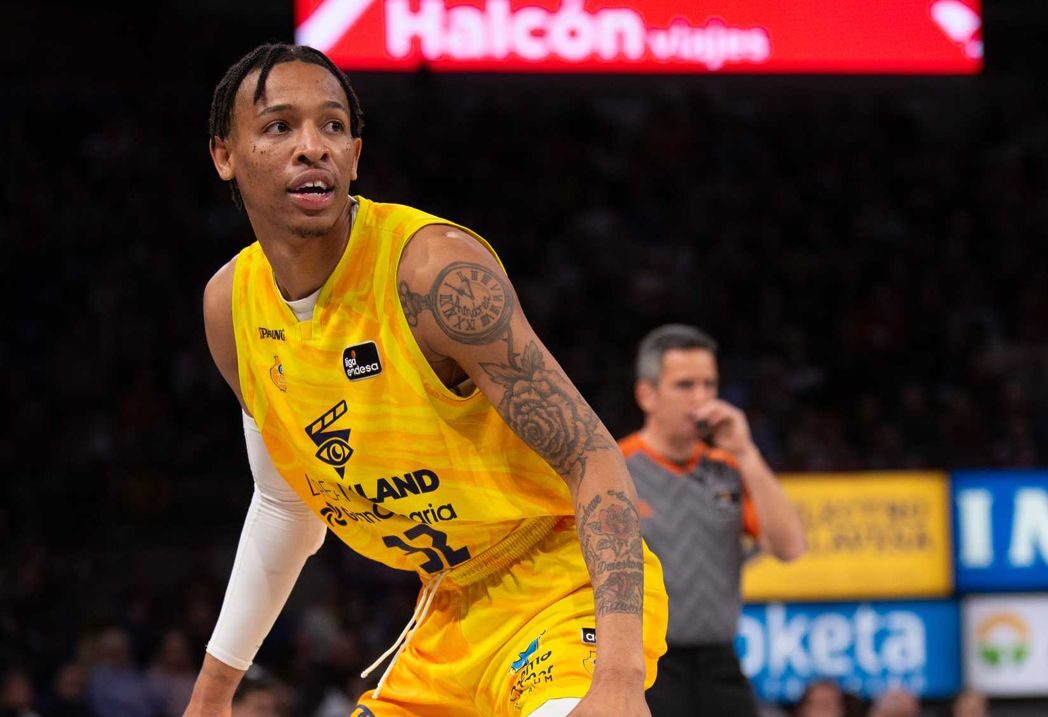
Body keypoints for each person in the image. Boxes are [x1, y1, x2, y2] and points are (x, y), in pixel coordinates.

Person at [182, 43, 668, 717]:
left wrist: (616, 675)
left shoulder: (436, 275)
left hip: (562, 584)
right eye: (279, 126)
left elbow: (592, 457)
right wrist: (211, 696)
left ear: (355, 155)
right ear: (224, 155)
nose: (312, 146)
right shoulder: (230, 308)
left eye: (332, 126)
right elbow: (286, 504)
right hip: (447, 614)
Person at [621, 325, 806, 717]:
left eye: (709, 384)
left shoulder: (728, 468)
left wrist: (746, 452)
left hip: (720, 662)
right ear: (646, 394)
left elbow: (789, 548)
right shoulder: (618, 469)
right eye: (685, 385)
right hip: (648, 665)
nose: (701, 398)